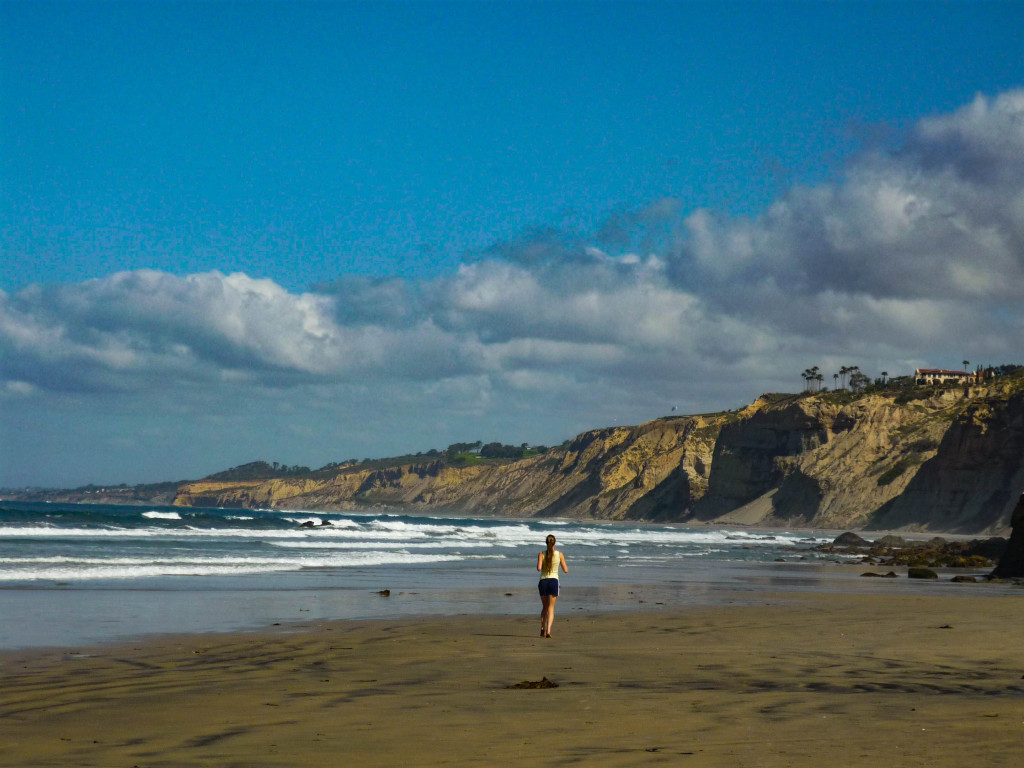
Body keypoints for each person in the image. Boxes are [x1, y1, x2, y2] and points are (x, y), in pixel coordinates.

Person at [536, 534, 568, 638]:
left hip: (543, 581)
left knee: (544, 607)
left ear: (546, 543)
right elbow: (566, 570)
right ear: (555, 543)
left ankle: (542, 627)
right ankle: (548, 630)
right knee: (551, 608)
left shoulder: (541, 554)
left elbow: (539, 568)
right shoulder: (560, 554)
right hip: (554, 581)